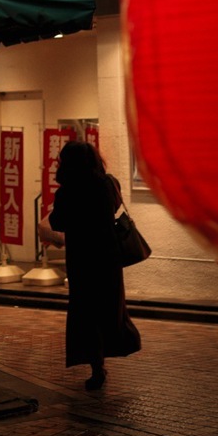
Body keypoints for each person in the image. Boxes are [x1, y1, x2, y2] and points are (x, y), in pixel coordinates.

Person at [50, 140, 141, 390]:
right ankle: (124, 342)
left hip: (82, 258)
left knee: (85, 312)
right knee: (110, 308)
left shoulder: (67, 191)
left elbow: (57, 222)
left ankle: (96, 366)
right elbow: (113, 208)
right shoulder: (107, 183)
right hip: (108, 257)